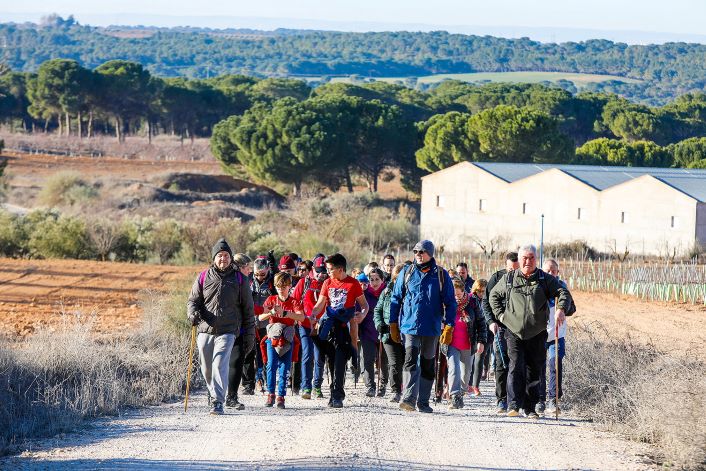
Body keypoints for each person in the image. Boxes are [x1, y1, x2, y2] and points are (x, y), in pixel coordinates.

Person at [489, 245, 573, 419]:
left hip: (537, 332)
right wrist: (501, 316)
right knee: (515, 365)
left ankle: (530, 407)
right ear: (519, 260)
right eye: (525, 258)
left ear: (536, 259)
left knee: (534, 369)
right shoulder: (509, 278)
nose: (528, 261)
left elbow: (562, 292)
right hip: (514, 331)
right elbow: (493, 296)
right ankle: (513, 404)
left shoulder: (545, 279)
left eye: (531, 258)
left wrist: (561, 309)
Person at [187, 238, 255, 415]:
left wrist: (249, 334)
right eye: (219, 255)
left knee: (219, 364)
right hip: (205, 328)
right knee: (206, 366)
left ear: (231, 258)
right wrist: (192, 314)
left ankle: (217, 401)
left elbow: (248, 309)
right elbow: (193, 301)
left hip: (228, 330)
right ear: (214, 258)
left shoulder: (240, 279)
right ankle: (212, 393)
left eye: (226, 255)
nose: (223, 259)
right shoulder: (203, 276)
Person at [389, 240, 456, 413]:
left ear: (430, 254)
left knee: (427, 364)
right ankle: (409, 398)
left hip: (432, 328)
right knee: (410, 359)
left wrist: (449, 326)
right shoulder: (407, 272)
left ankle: (424, 402)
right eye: (416, 252)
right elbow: (395, 299)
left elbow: (450, 302)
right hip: (409, 326)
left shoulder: (441, 275)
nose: (418, 255)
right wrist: (393, 324)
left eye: (422, 252)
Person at [310, 253, 369, 408]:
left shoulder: (353, 284)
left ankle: (338, 396)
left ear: (340, 269)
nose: (327, 272)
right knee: (331, 362)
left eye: (330, 269)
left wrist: (362, 315)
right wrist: (313, 314)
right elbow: (320, 303)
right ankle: (333, 393)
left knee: (340, 362)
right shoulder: (327, 283)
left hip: (345, 327)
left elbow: (364, 305)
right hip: (330, 327)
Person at [259, 272, 306, 409]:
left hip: (287, 338)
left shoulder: (294, 301)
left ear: (289, 286)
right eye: (278, 286)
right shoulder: (271, 300)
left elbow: (301, 317)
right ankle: (271, 394)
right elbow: (261, 317)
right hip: (273, 338)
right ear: (275, 287)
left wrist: (285, 313)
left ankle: (281, 396)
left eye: (284, 286)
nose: (281, 289)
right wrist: (271, 313)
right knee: (271, 365)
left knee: (285, 368)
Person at [482, 251, 518, 414]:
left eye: (516, 269)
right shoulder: (496, 279)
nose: (514, 272)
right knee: (500, 363)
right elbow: (486, 302)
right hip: (500, 327)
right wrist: (491, 322)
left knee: (516, 363)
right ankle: (501, 400)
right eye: (511, 269)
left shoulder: (524, 278)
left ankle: (515, 400)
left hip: (518, 329)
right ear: (506, 266)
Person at [445, 277, 486, 409]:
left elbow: (481, 322)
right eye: (453, 294)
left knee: (466, 373)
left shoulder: (472, 302)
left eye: (458, 294)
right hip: (451, 343)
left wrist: (481, 341)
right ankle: (454, 396)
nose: (456, 297)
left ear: (464, 292)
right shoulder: (445, 303)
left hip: (468, 343)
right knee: (454, 369)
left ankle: (461, 393)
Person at [538, 258, 571, 415]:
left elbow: (572, 308)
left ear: (558, 272)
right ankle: (539, 399)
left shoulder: (562, 288)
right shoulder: (538, 286)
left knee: (555, 365)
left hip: (557, 334)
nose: (551, 273)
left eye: (553, 270)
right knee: (539, 367)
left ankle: (553, 399)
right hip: (539, 334)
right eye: (547, 271)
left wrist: (563, 308)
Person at [291, 254, 327, 399]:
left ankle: (317, 386)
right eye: (318, 271)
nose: (321, 275)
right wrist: (301, 314)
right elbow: (295, 301)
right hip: (305, 324)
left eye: (324, 272)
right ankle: (306, 387)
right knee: (307, 354)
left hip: (322, 325)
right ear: (313, 269)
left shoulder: (328, 283)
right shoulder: (304, 283)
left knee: (319, 356)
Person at [226, 253, 255, 409]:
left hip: (240, 329)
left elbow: (248, 308)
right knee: (227, 364)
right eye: (247, 267)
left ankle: (231, 397)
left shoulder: (243, 281)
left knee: (236, 363)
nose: (249, 271)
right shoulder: (235, 280)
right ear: (239, 267)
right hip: (227, 329)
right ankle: (218, 396)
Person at [374, 263, 406, 403]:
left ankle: (408, 389)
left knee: (406, 362)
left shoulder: (411, 292)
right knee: (394, 363)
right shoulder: (386, 292)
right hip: (388, 333)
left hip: (407, 333)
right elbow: (377, 310)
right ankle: (396, 391)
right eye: (397, 278)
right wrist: (379, 324)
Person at [357, 268, 388, 397]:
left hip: (384, 332)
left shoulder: (387, 293)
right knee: (368, 359)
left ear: (382, 280)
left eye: (377, 279)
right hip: (367, 332)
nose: (374, 283)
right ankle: (370, 386)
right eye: (372, 280)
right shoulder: (364, 294)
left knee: (383, 361)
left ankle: (383, 385)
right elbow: (358, 311)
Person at [250, 256, 277, 394]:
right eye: (257, 274)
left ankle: (268, 380)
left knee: (267, 353)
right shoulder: (249, 281)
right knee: (254, 354)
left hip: (268, 324)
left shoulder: (272, 282)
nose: (260, 277)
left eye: (263, 274)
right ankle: (257, 380)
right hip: (253, 323)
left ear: (267, 271)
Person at [468, 279, 490, 396]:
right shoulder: (471, 299)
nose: (481, 293)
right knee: (471, 358)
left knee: (480, 357)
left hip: (486, 332)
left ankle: (475, 386)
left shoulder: (489, 300)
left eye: (483, 291)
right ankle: (469, 384)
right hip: (473, 332)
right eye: (479, 291)